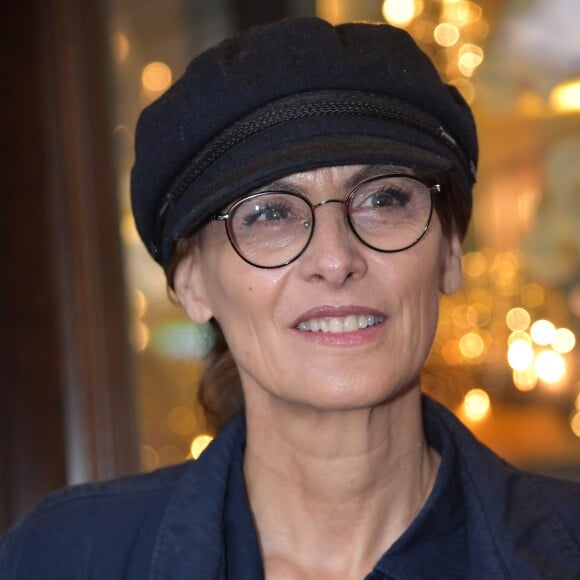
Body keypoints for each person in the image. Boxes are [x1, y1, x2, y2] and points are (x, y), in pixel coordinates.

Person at [2, 16, 580, 580]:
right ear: (190, 280)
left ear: (450, 251)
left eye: (383, 201)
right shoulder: (64, 557)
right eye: (269, 214)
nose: (335, 260)